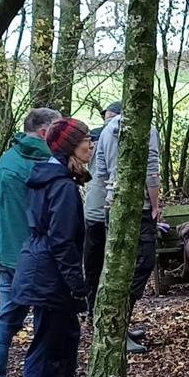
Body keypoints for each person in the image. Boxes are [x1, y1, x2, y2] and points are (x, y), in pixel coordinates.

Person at [11, 118, 92, 377]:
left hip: (44, 271)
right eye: (84, 138)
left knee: (65, 338)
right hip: (48, 276)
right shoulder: (60, 186)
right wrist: (76, 286)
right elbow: (61, 241)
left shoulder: (56, 179)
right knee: (47, 344)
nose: (90, 143)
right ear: (70, 146)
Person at [0, 108, 62, 377]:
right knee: (49, 319)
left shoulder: (8, 158)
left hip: (5, 250)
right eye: (57, 127)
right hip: (30, 255)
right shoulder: (42, 164)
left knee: (8, 318)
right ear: (43, 132)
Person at [93, 112, 161, 352]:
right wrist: (154, 204)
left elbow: (100, 170)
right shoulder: (145, 128)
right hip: (138, 206)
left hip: (112, 204)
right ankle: (118, 329)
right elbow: (151, 168)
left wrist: (111, 193)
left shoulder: (105, 131)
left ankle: (120, 325)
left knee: (117, 267)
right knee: (141, 263)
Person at [83, 101, 121, 313]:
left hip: (106, 210)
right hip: (96, 212)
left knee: (108, 266)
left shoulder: (104, 137)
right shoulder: (97, 138)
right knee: (94, 264)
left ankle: (107, 313)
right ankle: (93, 310)